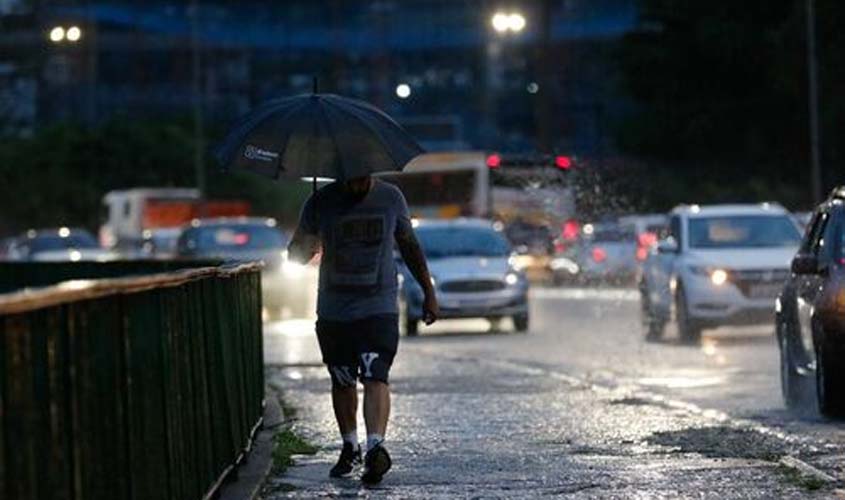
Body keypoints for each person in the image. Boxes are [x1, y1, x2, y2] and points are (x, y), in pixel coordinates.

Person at [287, 175, 438, 485]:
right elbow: (294, 255)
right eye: (351, 178)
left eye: (363, 177)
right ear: (340, 173)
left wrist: (428, 291)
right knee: (342, 379)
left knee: (375, 374)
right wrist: (309, 245)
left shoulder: (391, 198)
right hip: (334, 310)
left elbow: (410, 245)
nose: (358, 184)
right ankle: (349, 445)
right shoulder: (319, 202)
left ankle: (375, 448)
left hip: (378, 307)